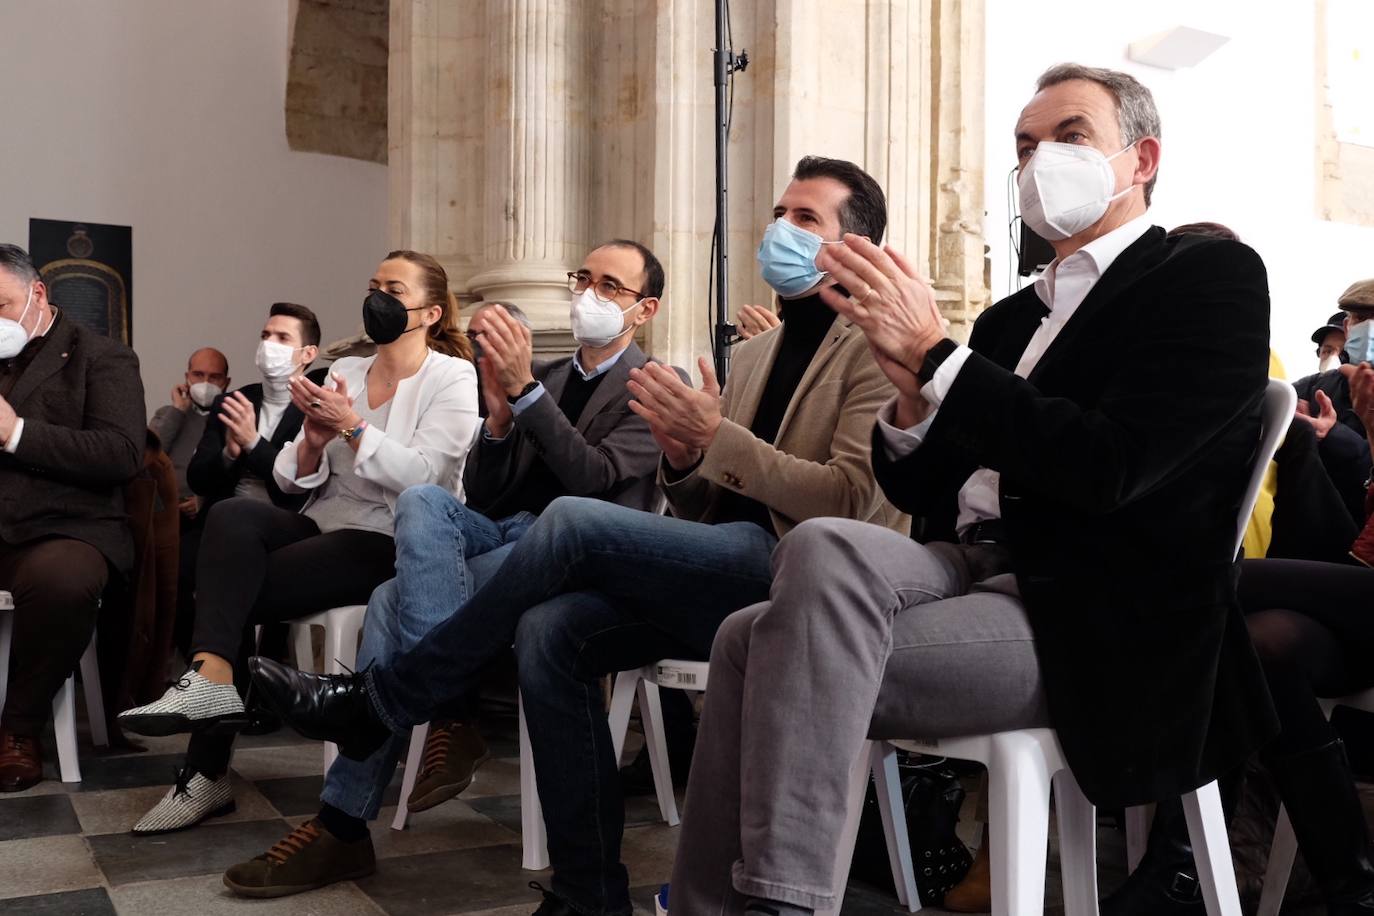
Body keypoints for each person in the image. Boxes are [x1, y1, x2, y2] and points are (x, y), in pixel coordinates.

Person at [653, 64, 1279, 916]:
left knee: (754, 644)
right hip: (965, 563)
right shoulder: (1011, 320)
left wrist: (941, 359)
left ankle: (775, 905)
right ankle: (715, 906)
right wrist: (911, 394)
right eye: (1024, 145)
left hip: (1094, 610)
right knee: (817, 548)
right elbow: (921, 485)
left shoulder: (1205, 279)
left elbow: (1111, 467)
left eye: (1070, 137)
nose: (1038, 160)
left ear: (1141, 160)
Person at [249, 154, 910, 916]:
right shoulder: (754, 353)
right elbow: (700, 505)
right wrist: (685, 456)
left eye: (806, 219)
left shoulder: (871, 347)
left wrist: (713, 443)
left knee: (565, 522)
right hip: (707, 570)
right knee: (549, 628)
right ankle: (587, 892)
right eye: (778, 214)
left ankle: (388, 700)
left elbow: (850, 502)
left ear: (855, 247)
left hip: (802, 573)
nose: (778, 230)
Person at [220, 239, 680, 898]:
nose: (589, 294)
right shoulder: (545, 378)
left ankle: (342, 823)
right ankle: (446, 712)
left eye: (612, 286)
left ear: (645, 310)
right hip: (505, 535)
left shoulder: (652, 383)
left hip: (582, 554)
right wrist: (497, 427)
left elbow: (595, 481)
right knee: (423, 501)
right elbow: (488, 494)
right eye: (584, 277)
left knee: (387, 603)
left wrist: (521, 395)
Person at [116, 250, 480, 835]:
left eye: (394, 288)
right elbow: (288, 479)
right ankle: (210, 678)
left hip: (388, 537)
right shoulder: (350, 373)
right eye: (373, 285)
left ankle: (204, 771)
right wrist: (311, 440)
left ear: (430, 312)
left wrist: (354, 427)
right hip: (322, 520)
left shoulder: (453, 376)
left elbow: (426, 481)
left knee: (230, 589)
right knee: (233, 517)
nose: (378, 298)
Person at [0, 243, 145, 792]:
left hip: (65, 528)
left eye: (0, 305)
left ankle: (18, 729)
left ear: (38, 293)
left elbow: (121, 454)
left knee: (63, 581)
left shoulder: (102, 357)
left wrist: (16, 434)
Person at [168, 304, 326, 659]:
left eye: (282, 338)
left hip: (289, 522)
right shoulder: (236, 400)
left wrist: (254, 443)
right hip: (222, 521)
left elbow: (299, 482)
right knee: (174, 571)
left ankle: (252, 684)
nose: (269, 344)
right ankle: (217, 678)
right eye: (265, 336)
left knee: (242, 575)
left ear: (308, 354)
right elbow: (199, 477)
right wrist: (229, 451)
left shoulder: (316, 406)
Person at [1293, 282, 1374, 522]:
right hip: (1305, 535)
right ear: (1348, 327)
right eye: (1361, 317)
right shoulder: (1312, 387)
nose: (1370, 329)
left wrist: (1335, 435)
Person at [148, 347, 230, 523]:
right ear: (187, 377)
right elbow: (147, 456)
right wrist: (178, 410)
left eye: (214, 377)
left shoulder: (232, 420)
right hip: (164, 510)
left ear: (226, 382)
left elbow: (234, 473)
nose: (206, 382)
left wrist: (203, 501)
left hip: (209, 514)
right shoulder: (167, 414)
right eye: (198, 375)